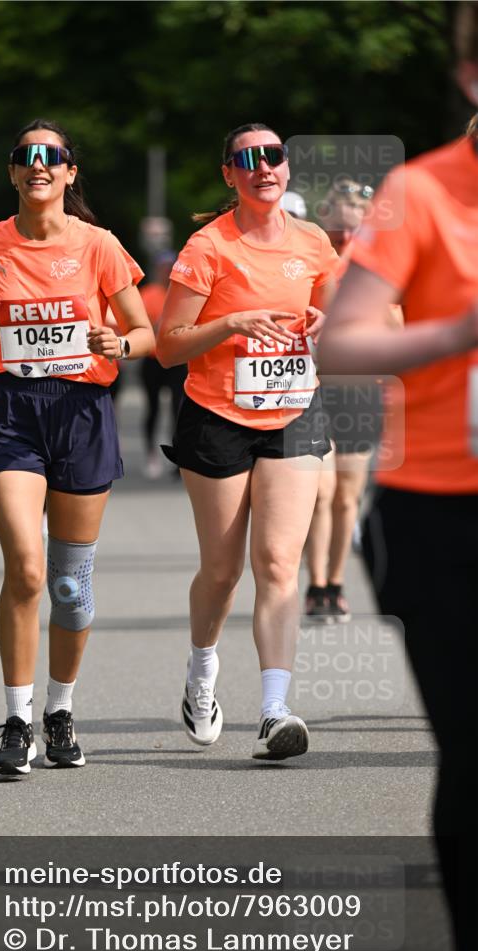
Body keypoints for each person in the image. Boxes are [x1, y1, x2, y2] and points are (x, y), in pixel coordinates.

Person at [319, 108, 478, 951]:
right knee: (469, 744)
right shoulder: (414, 192)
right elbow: (336, 344)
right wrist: (456, 334)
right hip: (440, 511)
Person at [0, 118, 154, 776]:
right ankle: (16, 721)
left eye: (52, 157)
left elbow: (144, 332)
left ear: (69, 172)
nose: (37, 165)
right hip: (12, 410)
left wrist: (117, 346)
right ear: (12, 171)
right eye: (25, 156)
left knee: (69, 583)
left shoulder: (98, 246)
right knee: (28, 569)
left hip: (81, 411)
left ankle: (60, 712)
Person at [157, 122, 338, 761]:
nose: (265, 166)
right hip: (217, 417)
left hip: (293, 412)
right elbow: (168, 344)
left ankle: (274, 710)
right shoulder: (209, 248)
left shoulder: (313, 243)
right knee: (223, 568)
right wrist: (230, 322)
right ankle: (202, 672)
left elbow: (344, 320)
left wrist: (326, 319)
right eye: (248, 159)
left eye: (275, 156)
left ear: (287, 169)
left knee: (280, 563)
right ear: (229, 174)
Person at [304, 180, 382, 623]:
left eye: (358, 208)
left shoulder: (378, 264)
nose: (347, 219)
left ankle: (335, 582)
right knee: (321, 491)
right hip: (312, 387)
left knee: (347, 496)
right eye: (340, 210)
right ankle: (315, 585)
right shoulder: (309, 256)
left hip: (359, 389)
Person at [138, 251, 186, 478]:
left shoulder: (183, 293)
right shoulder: (148, 294)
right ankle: (151, 454)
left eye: (171, 266)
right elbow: (138, 325)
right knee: (153, 408)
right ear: (158, 269)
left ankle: (178, 458)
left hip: (178, 360)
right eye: (164, 267)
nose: (167, 271)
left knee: (179, 410)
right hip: (152, 360)